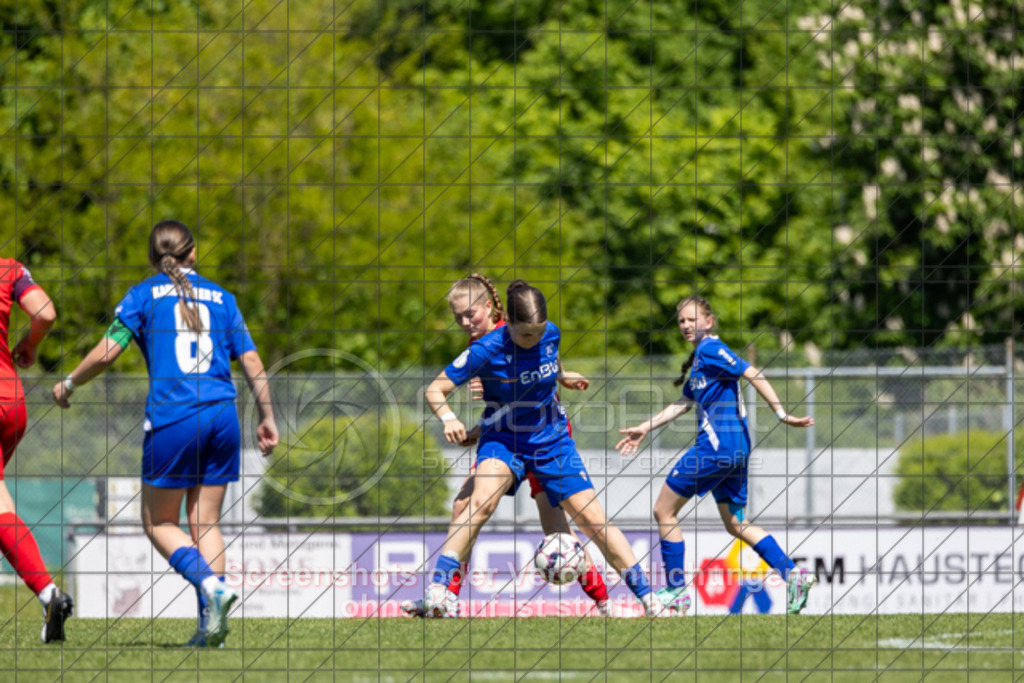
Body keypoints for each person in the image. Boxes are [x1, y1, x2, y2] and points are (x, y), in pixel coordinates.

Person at [52, 220, 279, 647]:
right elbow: (251, 361)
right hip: (222, 415)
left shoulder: (142, 295)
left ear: (152, 259)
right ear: (193, 254)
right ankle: (210, 626)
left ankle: (211, 587)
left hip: (174, 417)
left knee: (158, 521)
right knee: (206, 521)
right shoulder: (224, 299)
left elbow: (110, 348)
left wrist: (69, 382)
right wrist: (268, 415)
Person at [420, 280, 665, 618]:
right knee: (476, 504)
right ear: (512, 326)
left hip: (551, 440)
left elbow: (549, 357)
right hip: (505, 439)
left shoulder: (549, 332)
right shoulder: (484, 348)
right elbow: (436, 389)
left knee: (590, 521)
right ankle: (440, 593)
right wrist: (449, 419)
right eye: (524, 336)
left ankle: (648, 601)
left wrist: (561, 376)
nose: (532, 340)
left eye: (469, 314)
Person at [616, 295, 817, 615]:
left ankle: (676, 590)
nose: (685, 325)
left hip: (716, 447)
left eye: (691, 319)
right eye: (681, 320)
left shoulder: (710, 349)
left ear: (708, 322)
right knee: (737, 524)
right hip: (735, 450)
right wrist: (645, 427)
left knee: (663, 511)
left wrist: (780, 412)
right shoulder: (700, 358)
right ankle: (793, 574)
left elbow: (752, 372)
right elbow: (683, 404)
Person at [0, 258, 74, 643]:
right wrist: (29, 343)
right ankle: (49, 599)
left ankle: (48, 592)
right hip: (11, 401)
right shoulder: (8, 269)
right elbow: (45, 312)